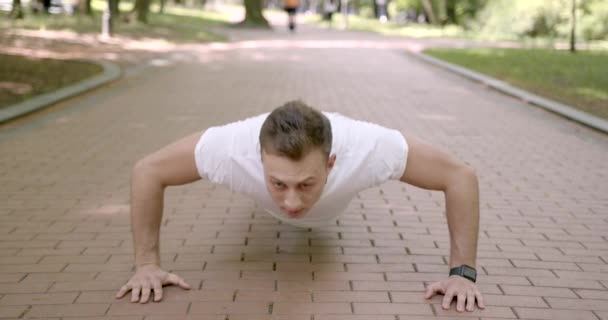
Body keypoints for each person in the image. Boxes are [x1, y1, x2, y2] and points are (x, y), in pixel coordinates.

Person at [115, 100, 485, 312]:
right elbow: (147, 170)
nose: (292, 201)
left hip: (337, 203)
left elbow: (460, 177)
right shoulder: (230, 148)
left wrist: (462, 273)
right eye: (278, 184)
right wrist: (146, 265)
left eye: (306, 184)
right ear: (258, 160)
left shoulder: (368, 147)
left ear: (331, 164)